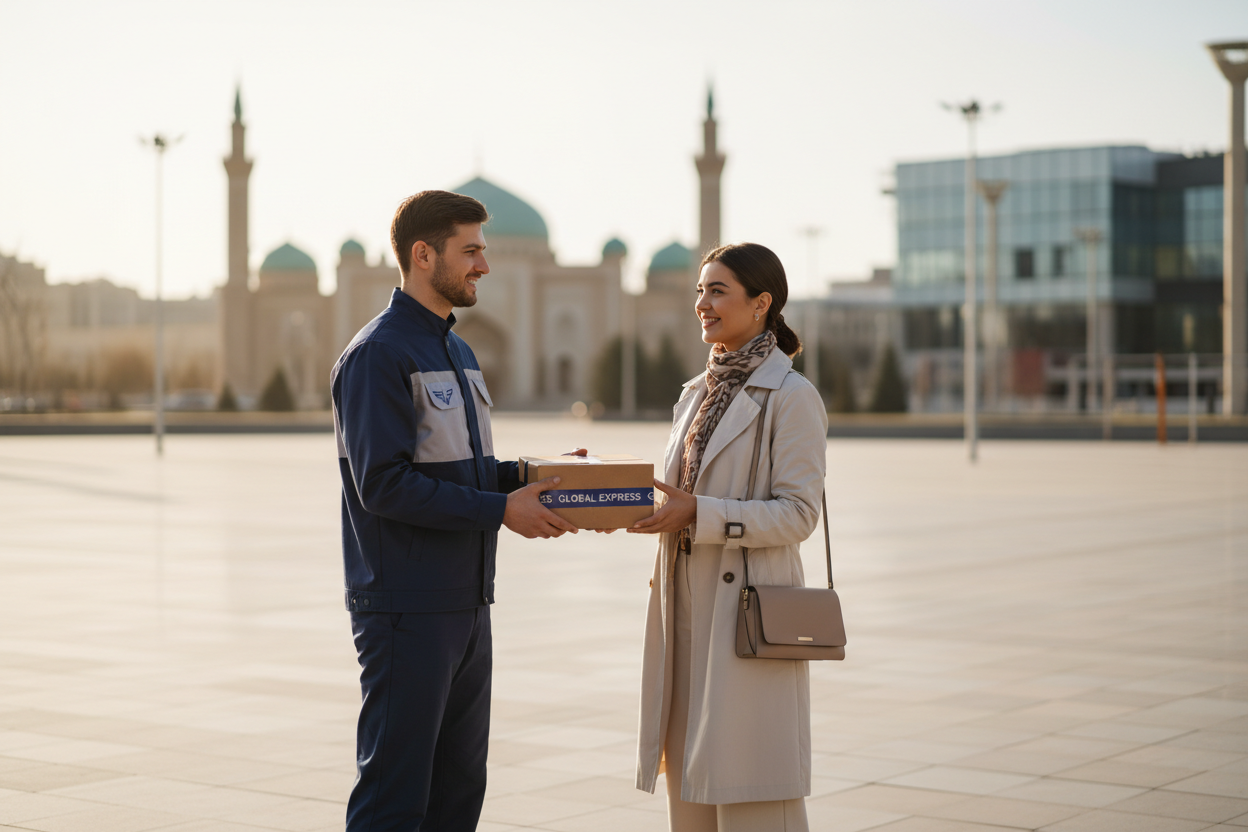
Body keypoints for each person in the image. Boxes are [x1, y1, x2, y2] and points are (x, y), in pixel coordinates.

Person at [331, 189, 578, 832]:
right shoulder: (378, 355)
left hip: (467, 605)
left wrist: (537, 474)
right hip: (407, 608)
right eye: (470, 251)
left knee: (457, 793)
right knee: (396, 795)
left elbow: (461, 470)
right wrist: (501, 510)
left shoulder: (457, 353)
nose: (483, 267)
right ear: (422, 255)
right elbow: (382, 485)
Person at [629, 242, 828, 831]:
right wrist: (604, 489)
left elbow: (797, 514)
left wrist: (701, 515)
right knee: (689, 797)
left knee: (754, 803)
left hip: (745, 617)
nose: (702, 305)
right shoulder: (696, 394)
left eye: (717, 291)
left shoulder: (791, 398)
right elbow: (678, 494)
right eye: (699, 291)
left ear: (762, 303)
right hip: (684, 616)